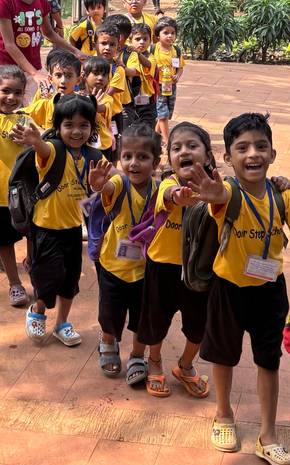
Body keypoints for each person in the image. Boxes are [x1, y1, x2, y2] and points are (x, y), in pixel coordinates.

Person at [187, 112, 290, 465]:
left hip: (270, 290)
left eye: (260, 146)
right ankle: (223, 415)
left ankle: (267, 436)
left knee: (268, 360)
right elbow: (220, 192)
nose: (252, 154)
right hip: (228, 288)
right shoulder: (227, 193)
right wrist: (211, 192)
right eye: (241, 148)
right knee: (223, 355)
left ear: (273, 154)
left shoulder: (283, 196)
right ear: (227, 157)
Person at [11, 94, 101, 345]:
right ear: (58, 126)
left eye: (84, 125)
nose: (76, 131)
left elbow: (112, 177)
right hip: (46, 229)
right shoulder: (54, 151)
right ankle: (37, 312)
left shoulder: (92, 156)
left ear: (92, 128)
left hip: (73, 229)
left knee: (70, 280)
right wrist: (36, 141)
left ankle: (62, 322)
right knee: (48, 277)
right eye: (69, 125)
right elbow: (43, 148)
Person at [137, 122, 212, 398]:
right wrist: (177, 196)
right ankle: (154, 360)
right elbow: (169, 197)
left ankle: (185, 365)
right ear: (169, 159)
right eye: (176, 148)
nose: (184, 152)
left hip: (199, 270)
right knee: (156, 319)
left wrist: (276, 182)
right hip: (163, 267)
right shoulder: (167, 184)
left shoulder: (218, 187)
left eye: (192, 146)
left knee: (199, 325)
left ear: (208, 155)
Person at [88, 123, 161, 384]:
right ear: (120, 157)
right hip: (112, 267)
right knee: (110, 314)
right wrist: (99, 186)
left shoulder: (159, 189)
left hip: (145, 270)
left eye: (143, 157)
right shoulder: (119, 182)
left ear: (156, 161)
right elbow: (108, 189)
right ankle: (108, 341)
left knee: (142, 317)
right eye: (128, 156)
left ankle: (137, 355)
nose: (134, 163)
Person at [0, 0, 84, 102]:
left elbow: (49, 33)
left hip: (33, 66)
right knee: (8, 107)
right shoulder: (5, 3)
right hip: (8, 69)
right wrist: (35, 73)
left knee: (33, 107)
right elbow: (9, 45)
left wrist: (75, 51)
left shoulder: (41, 2)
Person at [0, 65, 30, 307]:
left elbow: (38, 149)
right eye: (5, 90)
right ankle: (14, 283)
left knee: (32, 232)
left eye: (17, 92)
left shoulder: (26, 119)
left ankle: (32, 261)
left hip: (23, 193)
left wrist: (29, 140)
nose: (11, 97)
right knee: (4, 241)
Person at [24, 49, 81, 129]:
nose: (63, 81)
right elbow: (27, 113)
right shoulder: (45, 101)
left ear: (78, 80)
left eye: (69, 76)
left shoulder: (82, 104)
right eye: (58, 75)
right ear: (50, 78)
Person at [95, 23, 125, 163]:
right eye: (103, 43)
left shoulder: (118, 70)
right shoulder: (88, 65)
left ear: (118, 47)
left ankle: (112, 178)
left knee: (112, 148)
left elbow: (109, 93)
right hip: (94, 113)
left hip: (112, 115)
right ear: (96, 43)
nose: (107, 47)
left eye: (112, 44)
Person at [153, 17, 183, 146]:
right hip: (158, 86)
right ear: (158, 35)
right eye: (166, 33)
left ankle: (154, 136)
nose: (169, 36)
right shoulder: (153, 49)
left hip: (171, 86)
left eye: (172, 33)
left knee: (168, 112)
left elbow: (180, 67)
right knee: (162, 113)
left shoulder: (176, 51)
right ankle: (166, 140)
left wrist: (177, 76)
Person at [82, 56, 114, 160]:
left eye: (104, 75)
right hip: (83, 142)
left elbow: (102, 108)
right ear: (84, 76)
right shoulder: (78, 96)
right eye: (96, 73)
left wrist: (94, 105)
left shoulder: (108, 99)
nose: (100, 78)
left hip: (104, 145)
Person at [129, 23, 157, 128]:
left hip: (147, 101)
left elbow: (148, 64)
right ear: (130, 40)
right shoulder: (128, 56)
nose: (142, 42)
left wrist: (138, 53)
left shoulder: (151, 57)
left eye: (145, 39)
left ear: (150, 40)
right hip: (131, 99)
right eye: (138, 39)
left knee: (147, 128)